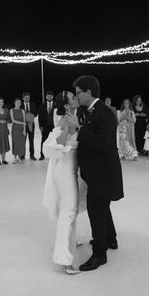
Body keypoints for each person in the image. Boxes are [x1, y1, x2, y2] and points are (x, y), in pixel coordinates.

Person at [73, 75, 124, 272]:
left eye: (78, 93)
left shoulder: (103, 113)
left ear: (88, 92)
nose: (77, 96)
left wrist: (79, 130)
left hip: (102, 173)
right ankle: (110, 239)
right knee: (103, 208)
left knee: (96, 210)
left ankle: (99, 255)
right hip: (98, 172)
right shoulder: (93, 111)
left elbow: (102, 143)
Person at [42, 90, 87, 275]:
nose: (77, 98)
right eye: (73, 97)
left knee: (71, 210)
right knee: (68, 211)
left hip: (72, 170)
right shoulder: (65, 120)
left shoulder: (72, 117)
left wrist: (76, 128)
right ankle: (64, 260)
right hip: (65, 171)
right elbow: (56, 143)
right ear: (67, 105)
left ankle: (68, 242)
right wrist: (70, 128)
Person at [38, 91, 55, 161]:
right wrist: (40, 126)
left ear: (52, 97)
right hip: (45, 126)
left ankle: (53, 155)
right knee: (43, 140)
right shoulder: (42, 105)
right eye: (48, 96)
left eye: (50, 96)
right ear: (46, 97)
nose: (49, 97)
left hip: (54, 126)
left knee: (54, 141)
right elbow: (40, 116)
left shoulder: (56, 105)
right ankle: (42, 154)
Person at [22, 92, 38, 160]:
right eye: (26, 98)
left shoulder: (33, 104)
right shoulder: (21, 105)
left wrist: (30, 116)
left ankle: (32, 155)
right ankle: (22, 155)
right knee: (23, 141)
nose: (27, 99)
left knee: (31, 140)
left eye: (28, 98)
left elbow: (36, 113)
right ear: (23, 98)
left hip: (31, 124)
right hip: (23, 125)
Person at [10, 97, 26, 164]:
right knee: (15, 143)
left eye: (19, 102)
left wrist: (24, 130)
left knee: (21, 144)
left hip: (21, 129)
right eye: (17, 102)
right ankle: (15, 158)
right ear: (14, 103)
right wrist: (22, 123)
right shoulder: (11, 110)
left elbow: (24, 121)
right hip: (15, 129)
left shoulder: (22, 110)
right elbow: (13, 120)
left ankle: (19, 158)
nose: (18, 104)